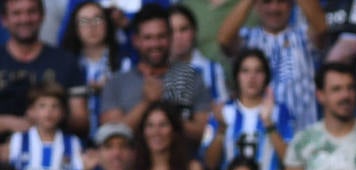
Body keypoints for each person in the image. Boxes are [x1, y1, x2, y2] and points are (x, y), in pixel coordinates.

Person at [202, 48, 294, 170]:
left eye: (258, 71)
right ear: (237, 76)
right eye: (245, 71)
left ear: (266, 76)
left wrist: (269, 124)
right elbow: (209, 163)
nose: (252, 77)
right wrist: (221, 129)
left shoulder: (280, 112)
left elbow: (291, 160)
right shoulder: (221, 112)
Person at [100, 6, 213, 140]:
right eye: (148, 38)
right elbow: (113, 138)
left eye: (161, 36)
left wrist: (166, 109)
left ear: (170, 38)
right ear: (136, 41)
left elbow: (205, 134)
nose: (155, 44)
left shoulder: (192, 78)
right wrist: (146, 103)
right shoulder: (116, 83)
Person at [217, 0, 327, 135]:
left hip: (303, 136)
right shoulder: (248, 38)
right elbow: (224, 39)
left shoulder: (303, 35)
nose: (274, 8)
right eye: (267, 2)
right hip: (260, 139)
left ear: (291, 5)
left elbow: (322, 28)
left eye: (281, 1)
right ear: (256, 6)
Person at [0, 0, 87, 137]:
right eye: (16, 13)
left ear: (42, 16)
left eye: (31, 12)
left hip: (54, 152)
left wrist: (49, 117)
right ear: (4, 20)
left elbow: (81, 121)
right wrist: (7, 123)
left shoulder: (65, 61)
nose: (25, 19)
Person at [61, 1, 124, 139]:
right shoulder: (65, 64)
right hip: (76, 142)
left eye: (97, 19)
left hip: (117, 141)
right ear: (75, 28)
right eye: (84, 21)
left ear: (107, 23)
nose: (92, 26)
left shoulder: (125, 60)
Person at [169, 5, 230, 108]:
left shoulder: (213, 70)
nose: (177, 36)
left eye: (183, 29)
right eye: (171, 31)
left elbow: (222, 111)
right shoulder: (156, 70)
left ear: (194, 31)